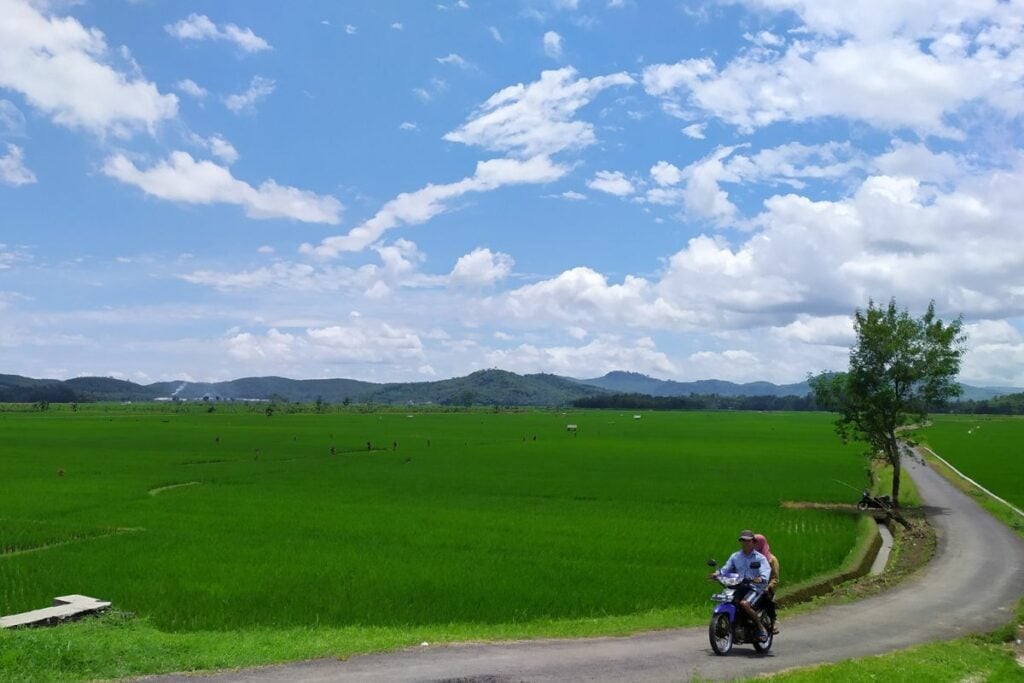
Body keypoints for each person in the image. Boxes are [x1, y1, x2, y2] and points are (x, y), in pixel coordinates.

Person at [709, 529, 771, 642]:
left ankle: (761, 628)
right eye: (743, 541)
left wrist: (760, 578)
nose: (745, 543)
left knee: (744, 603)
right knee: (727, 599)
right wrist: (717, 574)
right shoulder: (735, 556)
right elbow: (725, 569)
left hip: (754, 588)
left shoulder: (760, 558)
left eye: (748, 541)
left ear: (754, 542)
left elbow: (766, 572)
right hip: (738, 586)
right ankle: (732, 625)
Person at [754, 533, 780, 634]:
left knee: (767, 600)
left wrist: (768, 587)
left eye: (756, 543)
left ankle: (771, 623)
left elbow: (775, 578)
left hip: (765, 588)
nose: (753, 545)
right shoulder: (751, 557)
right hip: (752, 586)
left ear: (761, 544)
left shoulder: (771, 560)